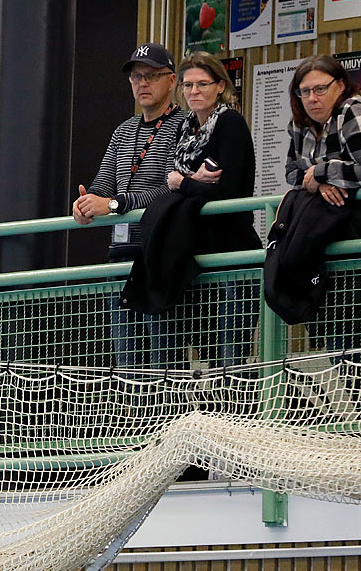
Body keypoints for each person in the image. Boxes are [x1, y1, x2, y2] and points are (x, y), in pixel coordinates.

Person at [284, 56, 361, 404]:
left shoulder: (354, 110)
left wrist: (323, 171)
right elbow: (293, 172)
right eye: (304, 91)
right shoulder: (300, 124)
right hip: (330, 246)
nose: (312, 98)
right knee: (341, 336)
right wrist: (319, 182)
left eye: (320, 88)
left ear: (341, 85)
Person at [71, 44, 186, 371]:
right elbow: (103, 183)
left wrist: (114, 204)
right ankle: (135, 419)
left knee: (165, 359)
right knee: (126, 362)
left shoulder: (185, 125)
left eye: (152, 75)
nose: (142, 83)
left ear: (172, 80)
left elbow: (172, 188)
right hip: (120, 256)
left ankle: (171, 419)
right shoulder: (123, 130)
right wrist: (86, 203)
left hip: (159, 254)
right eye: (136, 77)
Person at [162, 52, 260, 376]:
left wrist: (185, 182)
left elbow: (227, 191)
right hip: (197, 250)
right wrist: (193, 182)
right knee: (205, 351)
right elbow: (171, 184)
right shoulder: (185, 129)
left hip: (232, 249)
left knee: (231, 361)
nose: (194, 92)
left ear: (220, 86)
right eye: (188, 85)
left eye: (202, 84)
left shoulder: (229, 122)